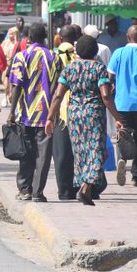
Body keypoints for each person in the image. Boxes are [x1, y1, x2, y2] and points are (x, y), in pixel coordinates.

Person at [45, 35, 124, 205]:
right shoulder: (99, 68)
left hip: (74, 116)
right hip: (94, 115)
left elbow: (58, 95)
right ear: (95, 51)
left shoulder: (69, 69)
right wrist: (118, 118)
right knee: (97, 151)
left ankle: (84, 186)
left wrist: (50, 118)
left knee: (80, 152)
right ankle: (86, 187)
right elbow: (105, 96)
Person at [8, 23, 57, 202]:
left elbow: (16, 86)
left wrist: (11, 112)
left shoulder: (22, 56)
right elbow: (59, 87)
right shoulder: (54, 57)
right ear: (45, 37)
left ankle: (24, 189)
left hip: (26, 114)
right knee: (43, 156)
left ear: (28, 37)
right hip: (47, 115)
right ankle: (38, 192)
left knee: (26, 153)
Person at [107, 24, 137, 187]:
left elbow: (110, 78)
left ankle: (121, 159)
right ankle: (136, 176)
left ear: (127, 37)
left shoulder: (118, 53)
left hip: (121, 104)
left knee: (123, 135)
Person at [50, 25, 81, 200]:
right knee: (76, 151)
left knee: (61, 152)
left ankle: (64, 190)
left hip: (62, 108)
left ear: (60, 38)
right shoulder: (80, 55)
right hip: (79, 107)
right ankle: (77, 186)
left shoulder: (59, 54)